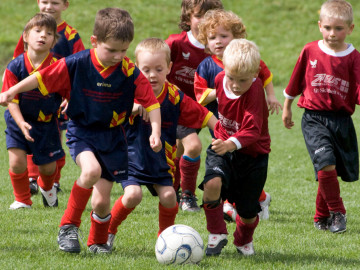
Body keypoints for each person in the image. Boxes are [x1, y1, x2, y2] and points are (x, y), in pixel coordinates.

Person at [0, 8, 162, 254]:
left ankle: (97, 242)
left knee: (101, 201)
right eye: (112, 50)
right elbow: (40, 77)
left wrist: (156, 132)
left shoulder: (128, 70)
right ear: (95, 41)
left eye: (123, 50)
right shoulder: (77, 63)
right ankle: (68, 227)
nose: (118, 56)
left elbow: (151, 103)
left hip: (113, 138)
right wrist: (13, 91)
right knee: (91, 170)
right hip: (82, 131)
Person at [107, 38, 217, 249]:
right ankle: (108, 230)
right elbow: (110, 108)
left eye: (158, 69)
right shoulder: (129, 91)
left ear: (169, 67)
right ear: (137, 68)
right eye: (146, 69)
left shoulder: (174, 96)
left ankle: (164, 239)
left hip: (161, 161)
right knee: (133, 195)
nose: (152, 75)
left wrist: (221, 132)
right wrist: (132, 108)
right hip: (130, 158)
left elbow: (202, 114)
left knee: (168, 197)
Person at [282, 0, 359, 234]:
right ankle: (338, 212)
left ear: (350, 29)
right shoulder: (310, 50)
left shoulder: (354, 57)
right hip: (314, 118)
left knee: (330, 170)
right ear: (319, 26)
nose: (332, 33)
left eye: (338, 29)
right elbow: (295, 81)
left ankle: (321, 216)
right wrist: (287, 107)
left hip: (341, 121)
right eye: (327, 28)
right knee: (325, 163)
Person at [195, 9, 278, 221]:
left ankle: (251, 203)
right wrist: (222, 90)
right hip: (221, 125)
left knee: (244, 181)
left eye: (224, 36)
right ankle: (218, 227)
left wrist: (271, 96)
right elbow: (200, 97)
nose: (219, 42)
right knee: (221, 175)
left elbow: (265, 74)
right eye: (213, 37)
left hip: (246, 136)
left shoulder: (249, 66)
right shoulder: (210, 69)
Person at [199, 39, 271, 256]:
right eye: (231, 78)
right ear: (224, 68)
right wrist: (225, 143)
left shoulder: (256, 90)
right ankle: (217, 233)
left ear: (255, 74)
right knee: (212, 183)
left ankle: (243, 239)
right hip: (222, 144)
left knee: (247, 211)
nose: (236, 85)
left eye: (243, 80)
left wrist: (231, 144)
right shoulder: (220, 78)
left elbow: (252, 130)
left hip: (252, 155)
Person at [13, 0, 85, 195]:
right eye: (45, 1)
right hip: (30, 98)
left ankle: (54, 181)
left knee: (55, 139)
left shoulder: (70, 35)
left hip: (57, 98)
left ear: (65, 5)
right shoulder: (30, 30)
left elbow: (80, 66)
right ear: (38, 2)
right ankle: (31, 178)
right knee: (29, 133)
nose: (49, 6)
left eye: (55, 2)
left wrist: (71, 94)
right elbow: (17, 60)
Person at [166, 0, 223, 212]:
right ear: (188, 17)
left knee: (228, 146)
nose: (205, 21)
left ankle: (255, 196)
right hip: (178, 107)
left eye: (211, 16)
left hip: (208, 108)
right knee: (191, 146)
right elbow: (153, 69)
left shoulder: (218, 48)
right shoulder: (175, 44)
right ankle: (186, 196)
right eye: (199, 15)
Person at [2, 13, 63, 210]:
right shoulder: (15, 66)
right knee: (17, 162)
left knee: (48, 167)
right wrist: (20, 123)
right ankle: (22, 200)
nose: (42, 35)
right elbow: (11, 100)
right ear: (26, 37)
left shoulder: (59, 66)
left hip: (46, 123)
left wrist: (69, 100)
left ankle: (47, 188)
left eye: (49, 33)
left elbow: (70, 88)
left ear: (54, 41)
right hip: (18, 120)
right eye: (37, 31)